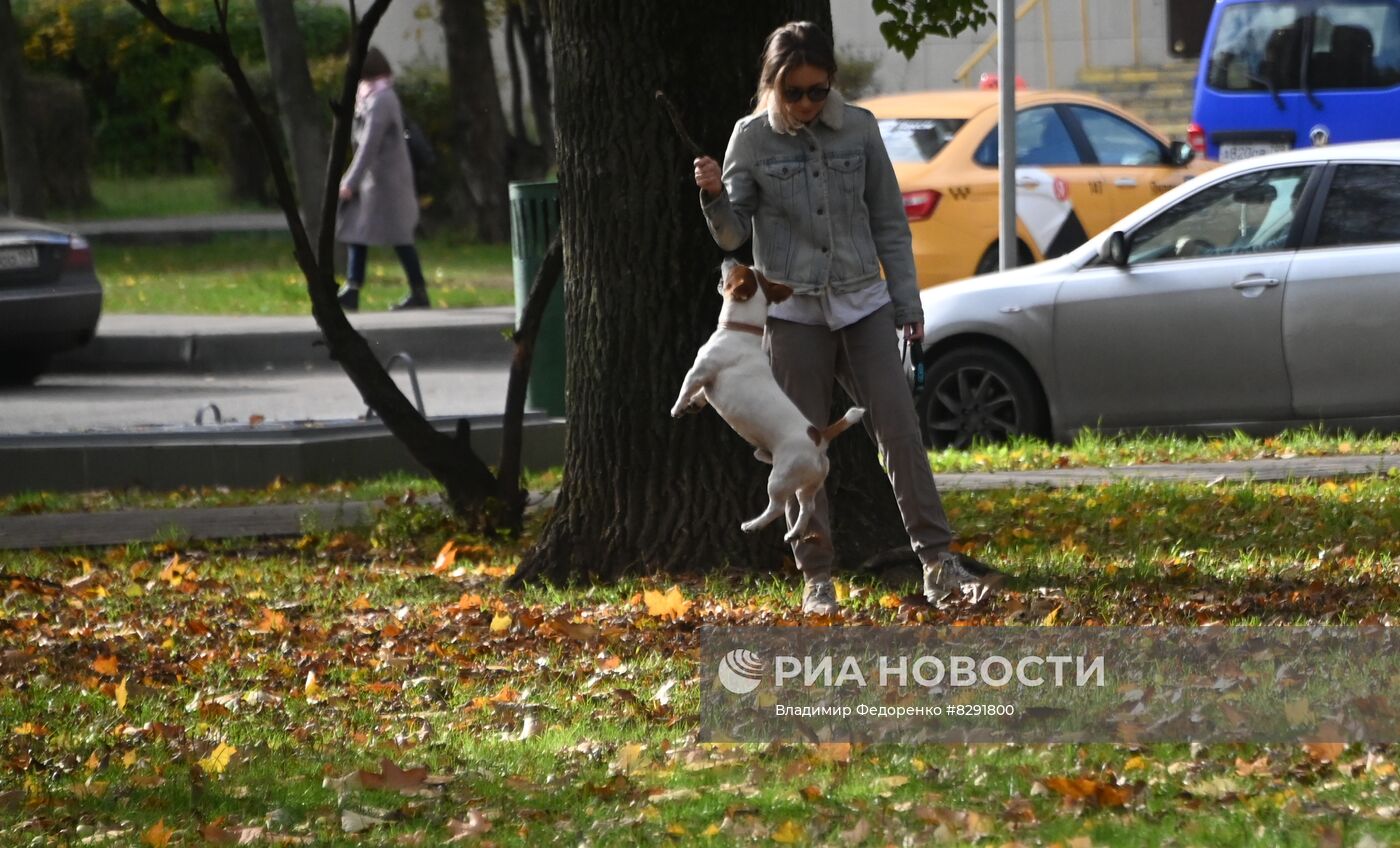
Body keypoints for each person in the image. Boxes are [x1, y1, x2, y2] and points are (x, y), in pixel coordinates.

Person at [693, 20, 1007, 615]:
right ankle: (816, 577)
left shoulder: (859, 128)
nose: (808, 104)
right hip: (794, 314)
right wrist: (713, 195)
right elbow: (733, 234)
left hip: (864, 302)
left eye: (818, 90)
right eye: (795, 93)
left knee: (901, 433)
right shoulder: (751, 139)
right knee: (800, 448)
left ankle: (938, 563)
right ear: (774, 87)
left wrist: (907, 304)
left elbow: (889, 221)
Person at [335, 47, 430, 312]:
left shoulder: (382, 99)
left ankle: (419, 292)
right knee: (357, 231)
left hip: (387, 184)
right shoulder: (369, 96)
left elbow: (368, 145)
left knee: (400, 237)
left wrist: (349, 182)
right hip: (373, 183)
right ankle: (352, 289)